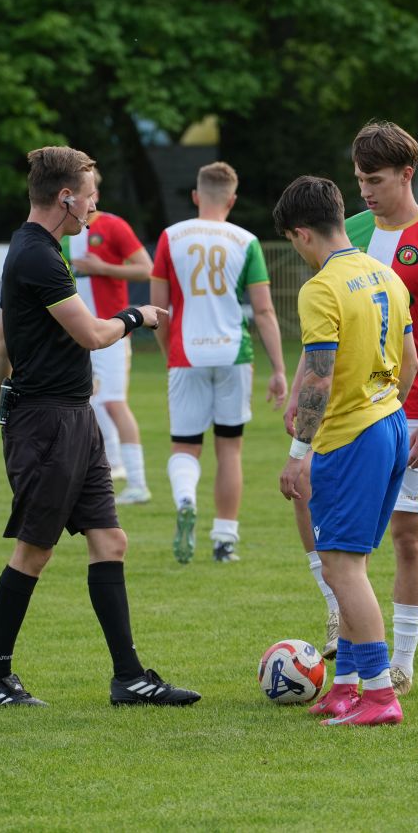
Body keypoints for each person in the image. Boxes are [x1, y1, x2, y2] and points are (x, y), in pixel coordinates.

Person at [0, 146, 199, 708]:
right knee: (33, 552)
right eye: (90, 196)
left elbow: (2, 341)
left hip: (74, 419)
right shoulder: (36, 256)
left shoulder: (39, 249)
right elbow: (91, 334)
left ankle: (129, 678)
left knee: (110, 540)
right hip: (47, 426)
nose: (95, 206)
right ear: (65, 197)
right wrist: (137, 316)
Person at [285, 121, 418, 697]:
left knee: (408, 535)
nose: (365, 190)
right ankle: (341, 618)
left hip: (406, 412)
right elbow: (324, 333)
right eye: (359, 179)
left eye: (376, 180)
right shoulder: (349, 232)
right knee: (318, 511)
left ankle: (401, 662)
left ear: (406, 174)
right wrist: (297, 393)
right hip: (345, 411)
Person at [274, 175, 418, 726]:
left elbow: (319, 376)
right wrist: (381, 405)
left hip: (351, 438)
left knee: (341, 568)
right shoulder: (386, 275)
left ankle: (379, 695)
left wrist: (298, 453)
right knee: (349, 566)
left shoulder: (321, 288)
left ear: (302, 233)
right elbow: (410, 363)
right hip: (390, 424)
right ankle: (346, 685)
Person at [150, 161, 288, 563]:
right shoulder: (246, 241)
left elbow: (157, 310)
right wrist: (279, 369)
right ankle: (225, 540)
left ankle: (186, 499)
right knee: (230, 449)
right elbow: (264, 311)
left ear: (196, 196)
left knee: (185, 445)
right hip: (233, 355)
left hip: (186, 354)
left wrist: (169, 352)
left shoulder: (171, 237)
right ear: (232, 199)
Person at [62, 168, 155, 505]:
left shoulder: (113, 225)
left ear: (95, 194)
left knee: (113, 402)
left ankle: (139, 483)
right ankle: (113, 467)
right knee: (87, 401)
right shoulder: (62, 231)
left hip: (112, 330)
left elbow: (146, 268)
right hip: (77, 333)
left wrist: (102, 268)